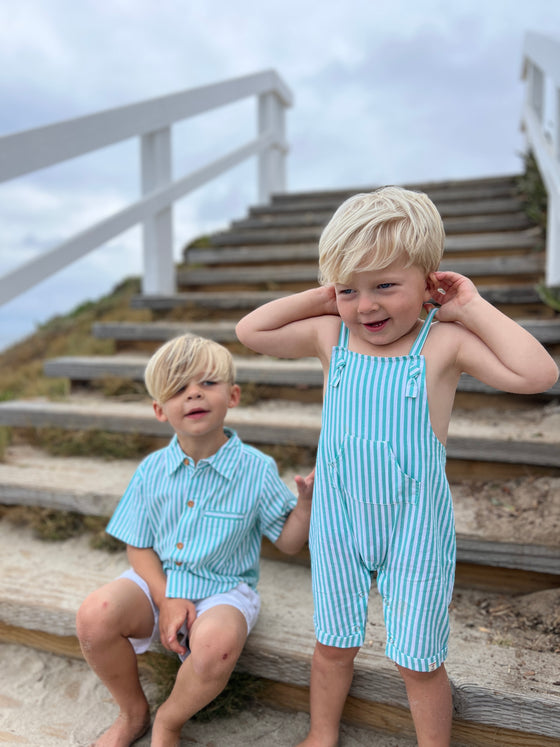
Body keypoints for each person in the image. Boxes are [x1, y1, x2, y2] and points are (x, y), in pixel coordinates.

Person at [235, 186, 559, 747]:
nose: (367, 307)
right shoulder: (331, 334)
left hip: (415, 529)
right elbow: (251, 330)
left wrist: (471, 306)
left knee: (418, 657)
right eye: (350, 291)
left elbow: (538, 375)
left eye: (385, 286)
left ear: (429, 281)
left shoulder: (444, 344)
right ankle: (321, 732)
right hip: (338, 522)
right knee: (332, 642)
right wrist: (329, 292)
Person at [76, 333, 314, 747]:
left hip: (223, 590)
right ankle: (133, 712)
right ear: (159, 410)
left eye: (207, 383)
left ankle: (169, 720)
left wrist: (306, 508)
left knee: (217, 646)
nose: (194, 395)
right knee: (94, 616)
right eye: (178, 389)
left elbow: (290, 543)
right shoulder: (152, 469)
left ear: (233, 395)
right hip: (159, 581)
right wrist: (166, 597)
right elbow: (138, 545)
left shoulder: (256, 469)